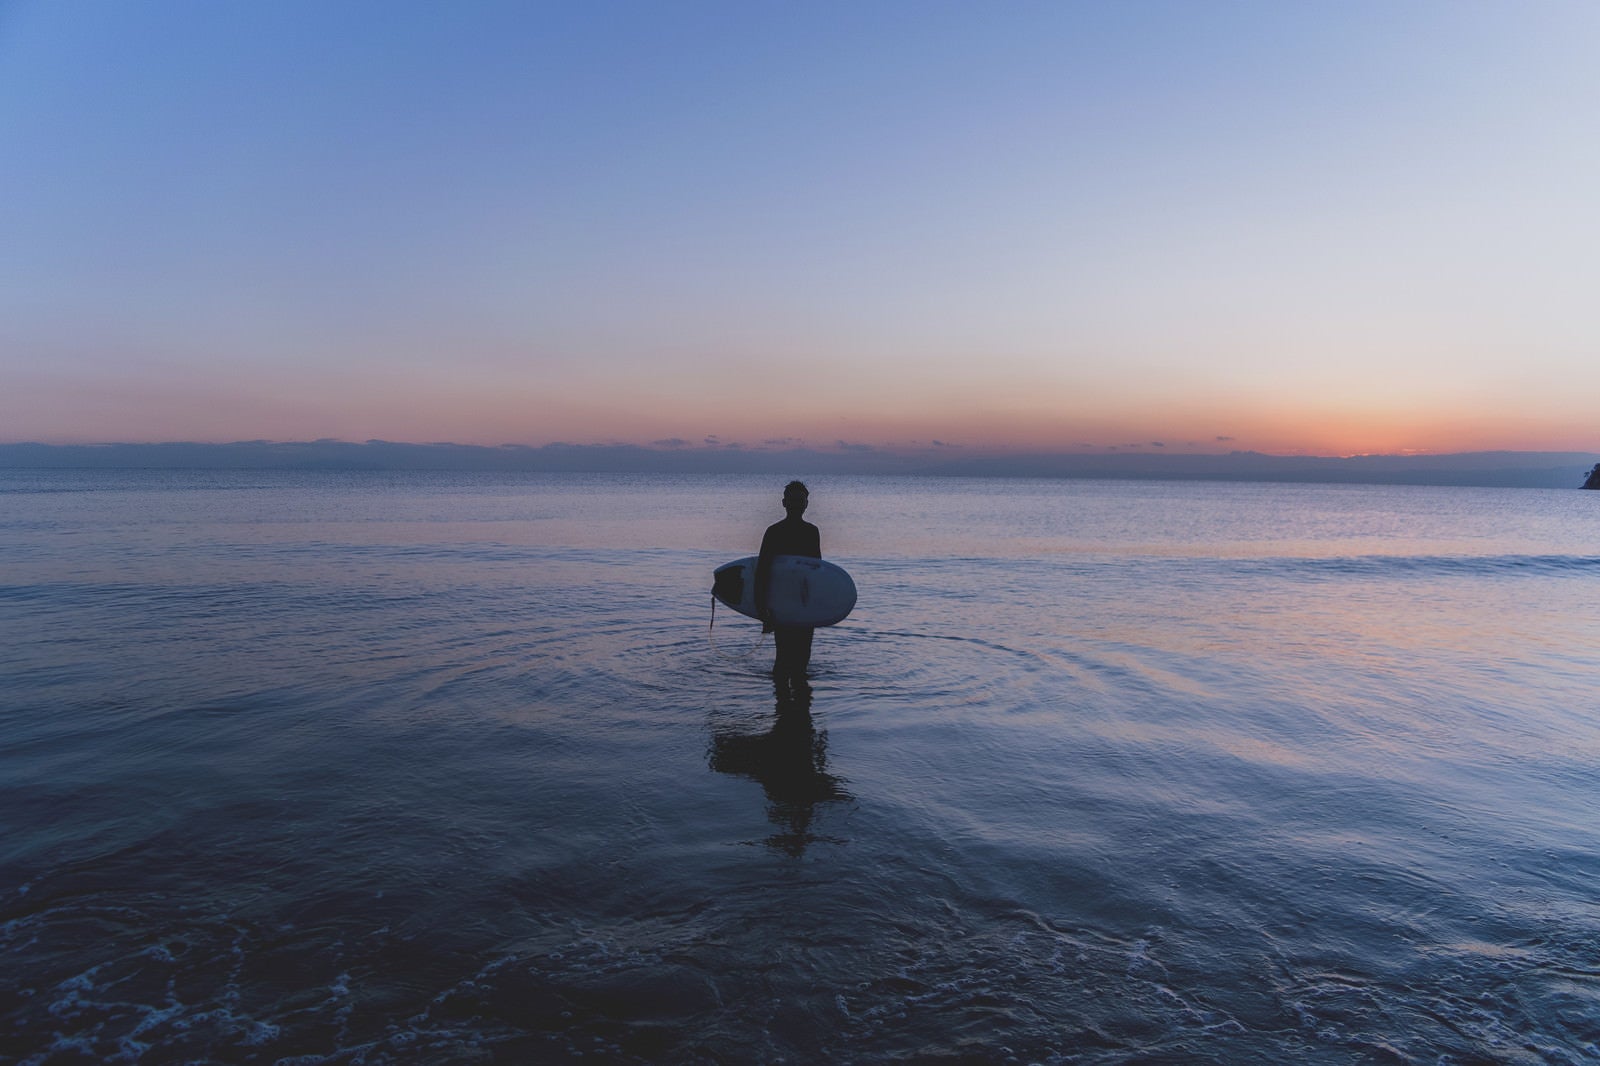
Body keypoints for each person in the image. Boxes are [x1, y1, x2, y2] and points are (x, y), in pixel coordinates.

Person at [754, 480, 821, 684]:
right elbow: (762, 571)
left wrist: (817, 607)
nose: (796, 505)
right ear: (783, 503)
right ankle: (784, 711)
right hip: (780, 603)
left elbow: (817, 570)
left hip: (803, 603)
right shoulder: (774, 532)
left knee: (802, 660)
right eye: (792, 501)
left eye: (800, 501)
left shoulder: (811, 532)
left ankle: (799, 712)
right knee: (782, 659)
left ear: (806, 504)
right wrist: (762, 609)